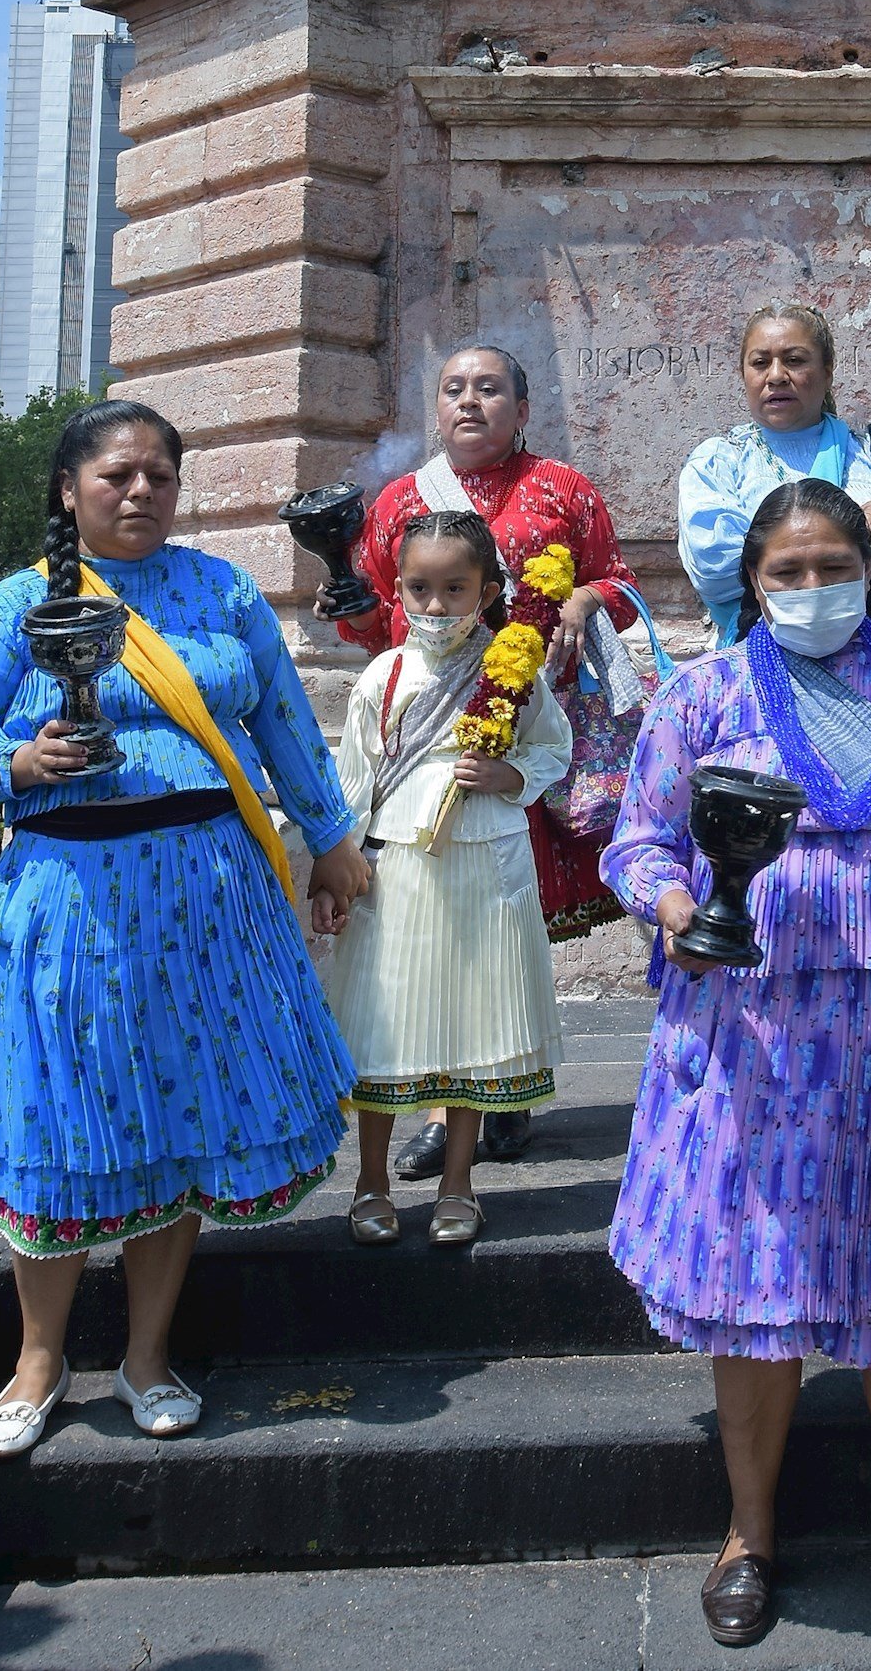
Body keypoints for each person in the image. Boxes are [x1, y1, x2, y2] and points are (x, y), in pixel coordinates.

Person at [604, 479, 871, 1661]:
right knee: (754, 1299)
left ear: (870, 568)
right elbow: (636, 837)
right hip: (749, 1039)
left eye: (830, 566)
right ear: (750, 582)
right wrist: (677, 901)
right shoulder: (706, 692)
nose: (809, 589)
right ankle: (747, 1535)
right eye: (785, 573)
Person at [0, 402, 368, 1460]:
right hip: (70, 900)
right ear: (69, 489)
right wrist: (14, 766)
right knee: (60, 1115)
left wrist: (331, 832)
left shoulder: (219, 592)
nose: (141, 492)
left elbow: (281, 723)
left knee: (181, 1113)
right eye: (118, 474)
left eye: (161, 475)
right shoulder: (21, 603)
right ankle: (39, 1363)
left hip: (212, 895)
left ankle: (147, 1355)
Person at [326, 345, 640, 1169]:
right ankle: (436, 1109)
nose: (470, 401)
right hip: (427, 740)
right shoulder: (397, 503)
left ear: (522, 407)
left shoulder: (565, 489)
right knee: (436, 929)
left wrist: (584, 595)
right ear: (436, 409)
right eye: (454, 388)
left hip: (529, 721)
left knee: (503, 933)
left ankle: (506, 1090)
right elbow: (372, 628)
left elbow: (623, 585)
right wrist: (349, 605)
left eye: (490, 387)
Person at [313, 510, 570, 1248]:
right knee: (382, 1022)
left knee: (473, 1024)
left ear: (487, 589)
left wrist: (509, 772)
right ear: (397, 592)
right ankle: (370, 1182)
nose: (435, 606)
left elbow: (556, 746)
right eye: (419, 589)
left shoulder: (514, 670)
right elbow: (352, 783)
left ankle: (460, 1181)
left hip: (486, 868)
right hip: (396, 872)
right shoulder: (382, 675)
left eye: (454, 588)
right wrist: (338, 871)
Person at [678, 304, 871, 643]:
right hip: (756, 654)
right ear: (744, 375)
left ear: (827, 373)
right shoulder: (721, 462)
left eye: (794, 360)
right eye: (760, 362)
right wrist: (853, 524)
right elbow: (714, 572)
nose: (777, 375)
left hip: (868, 659)